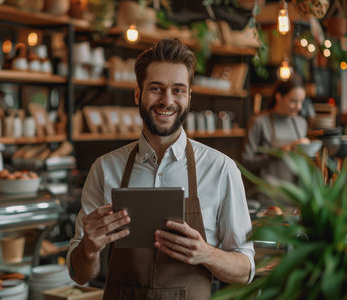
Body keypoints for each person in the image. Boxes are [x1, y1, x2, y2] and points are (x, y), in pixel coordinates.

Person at [67, 38, 255, 300]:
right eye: (156, 88)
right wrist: (88, 248)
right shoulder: (105, 168)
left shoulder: (221, 169)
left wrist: (206, 253)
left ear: (189, 97)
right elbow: (79, 274)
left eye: (178, 90)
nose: (166, 100)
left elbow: (245, 270)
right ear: (137, 94)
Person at [242, 76, 309, 207]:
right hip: (267, 199)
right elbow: (246, 162)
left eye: (301, 102)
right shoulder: (259, 122)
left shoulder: (301, 123)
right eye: (293, 101)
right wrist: (277, 153)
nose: (298, 107)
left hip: (296, 198)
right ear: (279, 97)